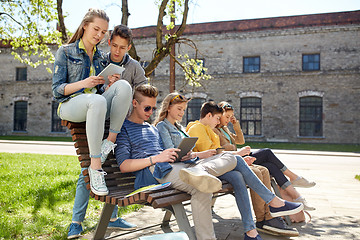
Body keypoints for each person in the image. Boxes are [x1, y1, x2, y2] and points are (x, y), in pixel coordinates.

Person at [146, 93, 303, 240]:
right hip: (188, 168)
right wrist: (196, 154)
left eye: (183, 109)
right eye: (179, 109)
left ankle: (251, 230)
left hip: (195, 164)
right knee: (238, 162)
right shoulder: (163, 126)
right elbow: (171, 153)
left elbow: (193, 152)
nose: (182, 112)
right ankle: (273, 203)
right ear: (168, 108)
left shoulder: (181, 128)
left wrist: (193, 154)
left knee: (240, 175)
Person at [52, 10, 136, 239]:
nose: (98, 35)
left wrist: (109, 86)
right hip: (70, 105)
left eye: (102, 32)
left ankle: (110, 141)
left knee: (123, 87)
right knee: (87, 170)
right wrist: (84, 83)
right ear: (85, 26)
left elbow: (99, 94)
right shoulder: (66, 52)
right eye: (95, 29)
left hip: (95, 109)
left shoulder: (100, 58)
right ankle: (95, 168)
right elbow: (57, 91)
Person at [214, 101, 316, 212]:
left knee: (271, 166)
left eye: (231, 117)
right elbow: (219, 151)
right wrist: (239, 151)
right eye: (227, 117)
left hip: (239, 158)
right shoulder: (215, 130)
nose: (229, 120)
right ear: (219, 115)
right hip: (233, 161)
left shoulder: (225, 129)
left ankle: (298, 197)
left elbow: (240, 140)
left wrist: (235, 124)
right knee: (267, 152)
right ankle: (294, 178)